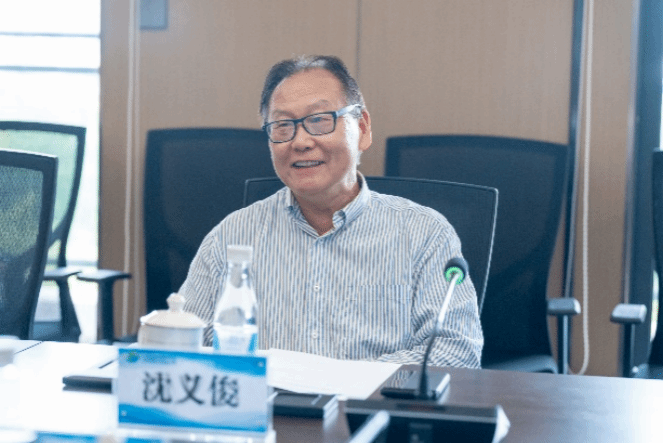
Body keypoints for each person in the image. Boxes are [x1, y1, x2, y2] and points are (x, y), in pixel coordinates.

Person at [181, 55, 483, 368]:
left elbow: (456, 352)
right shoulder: (231, 236)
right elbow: (184, 348)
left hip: (372, 401)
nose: (301, 141)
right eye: (282, 126)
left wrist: (340, 381)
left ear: (362, 128)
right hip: (264, 400)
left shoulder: (424, 234)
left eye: (319, 120)